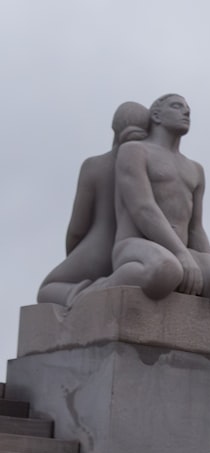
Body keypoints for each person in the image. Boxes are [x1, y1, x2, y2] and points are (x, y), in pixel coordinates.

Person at [105, 93, 210, 311]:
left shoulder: (195, 169)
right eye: (177, 106)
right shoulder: (134, 151)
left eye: (188, 108)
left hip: (180, 252)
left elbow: (196, 228)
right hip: (134, 245)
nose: (186, 112)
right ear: (157, 116)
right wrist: (181, 254)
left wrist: (206, 266)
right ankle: (98, 290)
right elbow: (143, 208)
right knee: (166, 270)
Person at [37, 102, 150, 306]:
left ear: (114, 128)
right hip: (139, 251)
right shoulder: (152, 165)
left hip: (98, 251)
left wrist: (73, 258)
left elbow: (77, 228)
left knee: (47, 290)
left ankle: (81, 296)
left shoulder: (95, 165)